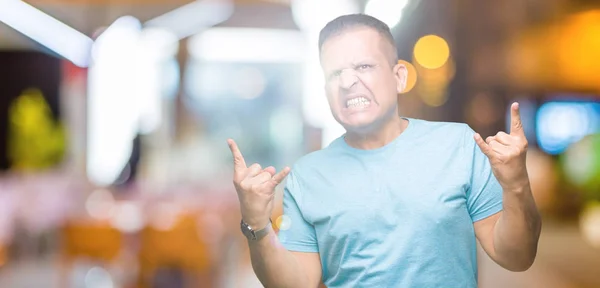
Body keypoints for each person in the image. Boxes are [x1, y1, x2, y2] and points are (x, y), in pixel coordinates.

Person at [227, 14, 542, 288]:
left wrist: (516, 184)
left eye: (363, 66)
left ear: (399, 77)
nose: (348, 81)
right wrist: (257, 224)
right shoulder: (307, 175)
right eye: (334, 73)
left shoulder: (459, 145)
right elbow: (297, 284)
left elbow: (516, 257)